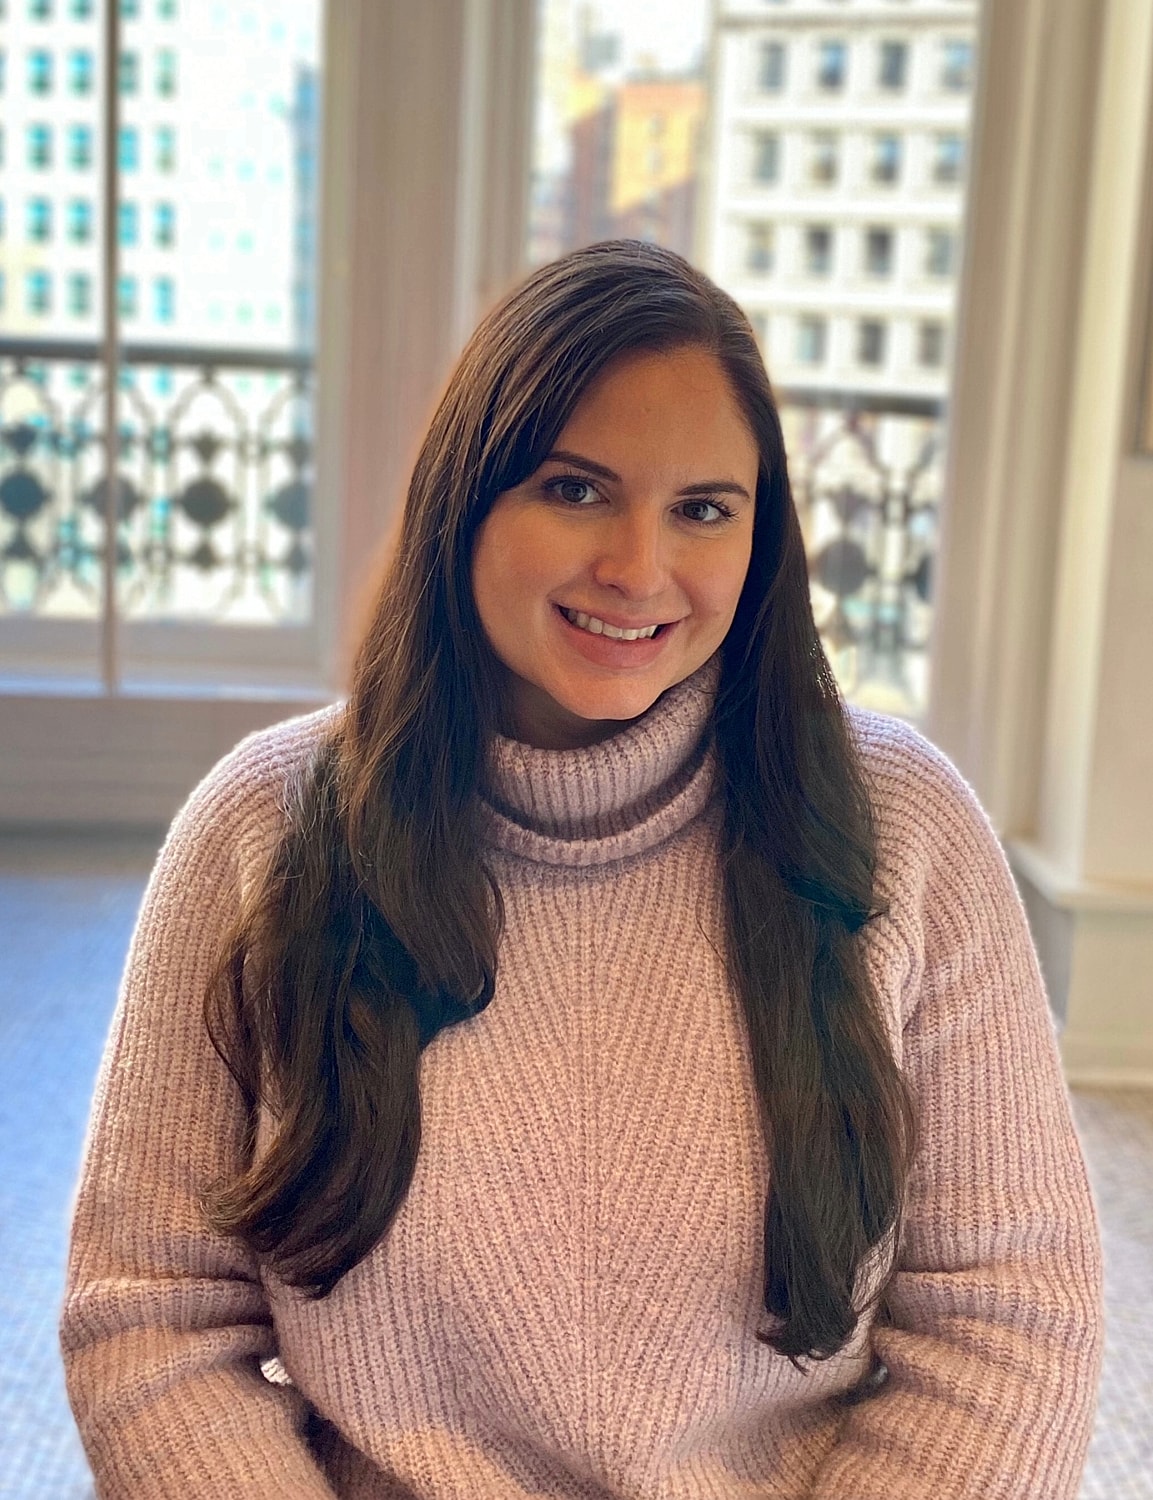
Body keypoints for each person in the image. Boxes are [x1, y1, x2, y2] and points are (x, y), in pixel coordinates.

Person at [61, 240, 1103, 1499]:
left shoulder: (905, 825)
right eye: (574, 488)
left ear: (760, 538)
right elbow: (154, 1317)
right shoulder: (263, 828)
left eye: (703, 509)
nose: (637, 567)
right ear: (467, 499)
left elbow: (1007, 1319)